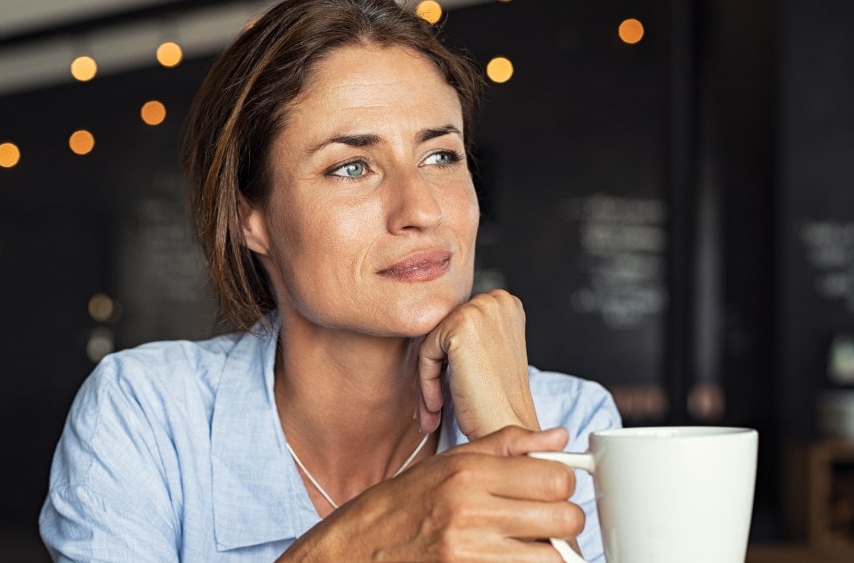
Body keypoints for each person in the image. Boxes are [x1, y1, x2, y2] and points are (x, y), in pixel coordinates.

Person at [39, 0, 620, 560]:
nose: (420, 209)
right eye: (351, 167)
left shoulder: (575, 421)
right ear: (250, 218)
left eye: (441, 156)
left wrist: (509, 432)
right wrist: (363, 545)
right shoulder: (148, 415)